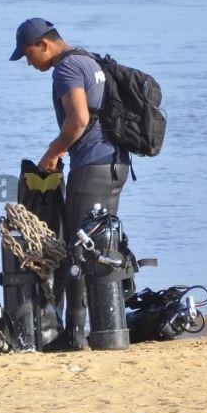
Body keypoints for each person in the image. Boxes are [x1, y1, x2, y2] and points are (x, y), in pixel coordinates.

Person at [9, 18, 131, 350]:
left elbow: (79, 119)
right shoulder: (89, 60)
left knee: (78, 249)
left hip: (92, 166)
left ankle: (74, 334)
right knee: (101, 246)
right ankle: (109, 326)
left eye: (28, 54)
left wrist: (53, 152)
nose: (29, 63)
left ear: (44, 44)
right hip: (116, 164)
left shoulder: (66, 69)